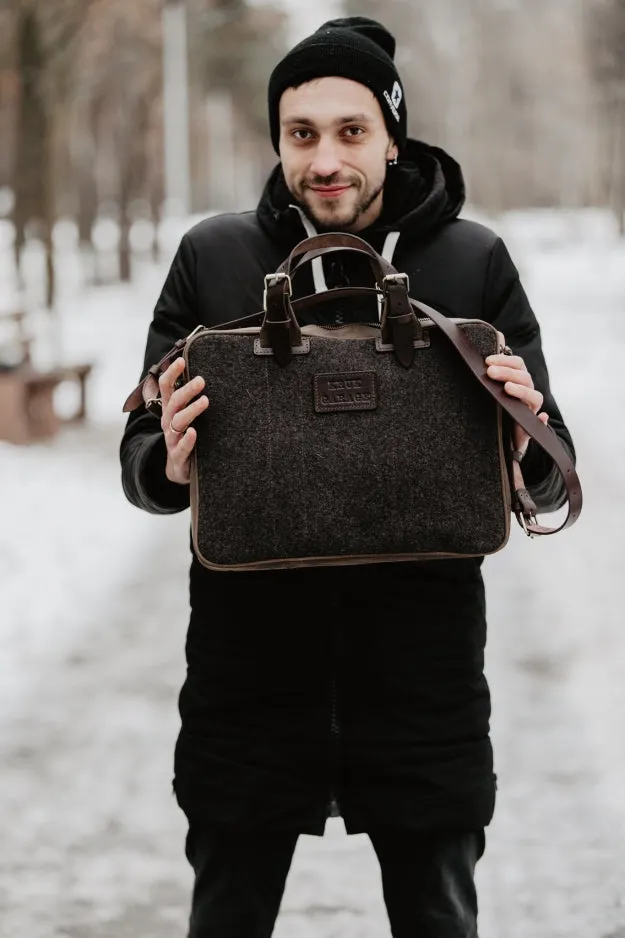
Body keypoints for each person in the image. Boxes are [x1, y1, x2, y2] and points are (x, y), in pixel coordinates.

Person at [120, 15, 575, 938]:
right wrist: (163, 458)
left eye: (350, 131)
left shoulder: (470, 260)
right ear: (279, 141)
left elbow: (551, 474)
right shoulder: (214, 259)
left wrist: (525, 430)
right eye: (301, 134)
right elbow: (139, 462)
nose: (324, 159)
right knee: (228, 914)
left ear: (392, 135)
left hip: (424, 676)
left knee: (437, 915)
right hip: (246, 676)